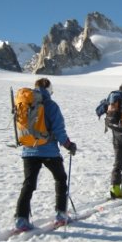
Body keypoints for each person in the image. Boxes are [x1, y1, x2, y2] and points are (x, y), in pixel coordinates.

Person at [14, 78, 77, 232]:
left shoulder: (25, 103)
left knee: (29, 183)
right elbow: (59, 130)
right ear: (48, 89)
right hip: (49, 151)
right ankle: (61, 215)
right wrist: (69, 145)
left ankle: (21, 219)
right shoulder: (50, 105)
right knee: (60, 178)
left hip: (28, 150)